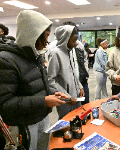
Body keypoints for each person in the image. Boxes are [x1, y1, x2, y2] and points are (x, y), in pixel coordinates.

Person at [0, 10, 69, 150]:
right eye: (45, 37)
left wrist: (52, 93)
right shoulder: (6, 60)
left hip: (41, 117)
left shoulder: (35, 56)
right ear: (32, 35)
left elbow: (39, 85)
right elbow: (5, 105)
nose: (47, 43)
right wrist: (44, 101)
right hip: (24, 125)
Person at [47, 25, 85, 120]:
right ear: (65, 39)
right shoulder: (55, 54)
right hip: (65, 99)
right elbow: (51, 80)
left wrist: (79, 86)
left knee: (78, 119)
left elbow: (73, 72)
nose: (75, 43)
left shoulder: (70, 52)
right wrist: (67, 97)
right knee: (66, 122)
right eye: (73, 41)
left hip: (76, 97)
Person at [62, 21, 89, 105]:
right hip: (67, 86)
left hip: (82, 81)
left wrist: (86, 71)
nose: (75, 42)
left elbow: (85, 58)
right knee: (70, 112)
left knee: (86, 105)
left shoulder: (79, 44)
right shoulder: (57, 49)